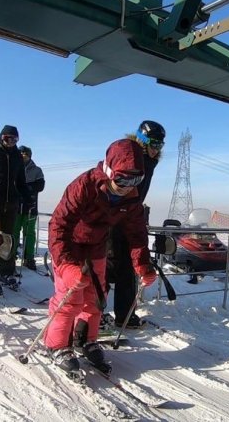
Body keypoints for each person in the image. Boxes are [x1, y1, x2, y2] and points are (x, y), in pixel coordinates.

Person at [45, 138, 158, 375]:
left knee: (96, 298)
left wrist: (143, 264)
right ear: (109, 171)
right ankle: (57, 345)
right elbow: (58, 225)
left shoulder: (131, 197)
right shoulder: (84, 186)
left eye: (136, 179)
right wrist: (65, 265)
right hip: (70, 247)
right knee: (70, 298)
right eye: (123, 179)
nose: (128, 185)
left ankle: (85, 339)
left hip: (96, 248)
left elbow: (136, 233)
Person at [106, 120, 165, 328]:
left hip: (131, 215)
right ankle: (90, 317)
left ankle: (125, 316)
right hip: (114, 216)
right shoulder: (131, 156)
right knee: (107, 266)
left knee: (127, 268)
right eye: (155, 144)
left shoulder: (149, 161)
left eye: (161, 145)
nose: (157, 149)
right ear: (143, 140)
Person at [0, 125, 29, 290]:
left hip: (11, 203)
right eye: (7, 139)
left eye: (14, 139)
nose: (10, 142)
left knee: (8, 238)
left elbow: (21, 181)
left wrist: (27, 196)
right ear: (1, 137)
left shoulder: (17, 155)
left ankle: (7, 271)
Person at [13, 146, 45, 270]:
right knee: (14, 232)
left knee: (29, 233)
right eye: (21, 153)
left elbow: (40, 185)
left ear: (30, 155)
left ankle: (29, 257)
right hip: (16, 206)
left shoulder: (36, 170)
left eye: (25, 154)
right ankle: (12, 254)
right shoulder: (14, 167)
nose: (23, 156)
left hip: (30, 206)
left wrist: (26, 188)